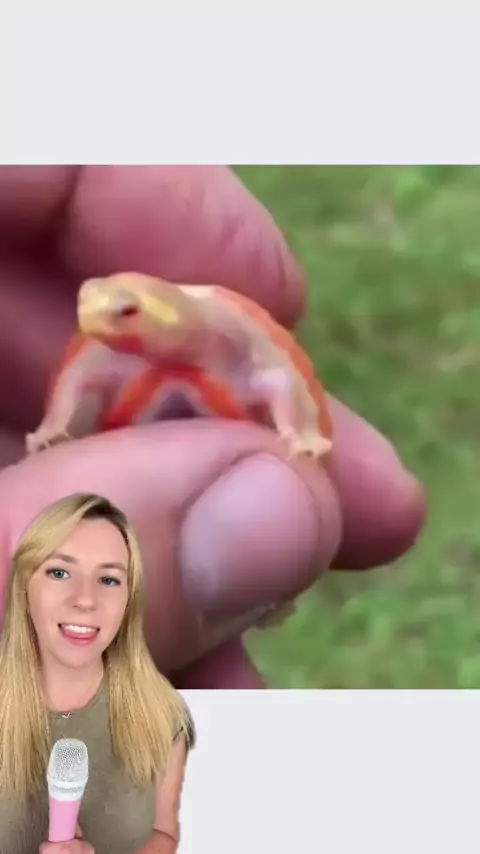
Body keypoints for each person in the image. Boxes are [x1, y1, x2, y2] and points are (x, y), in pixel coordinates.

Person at [0, 166, 426, 689]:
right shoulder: (111, 358)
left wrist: (298, 430)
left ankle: (276, 598)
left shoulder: (229, 338)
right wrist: (57, 425)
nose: (98, 323)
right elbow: (80, 382)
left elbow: (277, 379)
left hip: (228, 439)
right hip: (143, 441)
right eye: (89, 306)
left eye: (124, 314)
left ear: (166, 316)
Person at [0, 492, 195, 854]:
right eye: (59, 572)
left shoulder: (163, 714)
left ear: (128, 600)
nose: (86, 600)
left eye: (108, 580)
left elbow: (162, 836)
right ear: (24, 587)